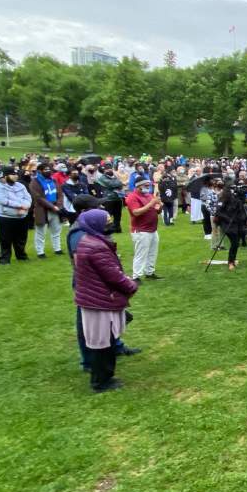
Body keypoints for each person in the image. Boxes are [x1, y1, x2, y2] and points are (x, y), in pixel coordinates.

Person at [73, 209, 138, 393]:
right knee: (102, 343)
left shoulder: (91, 242)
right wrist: (131, 285)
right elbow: (113, 276)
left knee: (104, 340)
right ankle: (101, 382)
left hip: (96, 298)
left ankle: (104, 377)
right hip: (99, 300)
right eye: (106, 222)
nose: (110, 225)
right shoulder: (96, 247)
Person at [0, 165, 32, 264]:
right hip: (5, 217)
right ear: (5, 176)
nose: (16, 176)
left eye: (16, 174)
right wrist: (21, 206)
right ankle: (4, 259)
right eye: (13, 174)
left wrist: (26, 206)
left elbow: (28, 197)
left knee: (21, 238)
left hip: (22, 216)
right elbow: (3, 200)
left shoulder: (20, 185)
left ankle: (21, 256)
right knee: (5, 239)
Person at [124, 178, 162, 281]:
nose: (148, 187)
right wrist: (151, 203)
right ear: (138, 186)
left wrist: (159, 206)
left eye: (148, 185)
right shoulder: (132, 197)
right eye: (145, 185)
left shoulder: (149, 195)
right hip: (141, 230)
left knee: (152, 252)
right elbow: (136, 212)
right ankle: (136, 276)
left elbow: (156, 210)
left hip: (152, 229)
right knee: (141, 254)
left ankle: (149, 273)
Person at [29, 163, 64, 258]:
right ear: (40, 171)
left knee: (56, 231)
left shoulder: (54, 180)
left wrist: (59, 205)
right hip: (42, 209)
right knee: (41, 232)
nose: (48, 171)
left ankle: (57, 249)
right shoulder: (35, 182)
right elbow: (38, 197)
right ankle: (40, 252)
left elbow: (60, 194)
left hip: (55, 209)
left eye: (49, 169)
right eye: (45, 170)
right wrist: (52, 207)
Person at [215, 185, 247, 271]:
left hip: (237, 223)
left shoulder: (236, 200)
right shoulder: (222, 199)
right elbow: (218, 212)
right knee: (234, 242)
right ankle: (231, 262)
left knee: (236, 243)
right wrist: (228, 219)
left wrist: (242, 198)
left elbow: (241, 208)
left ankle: (232, 260)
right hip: (227, 224)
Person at [95, 168, 125, 233]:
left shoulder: (114, 176)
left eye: (110, 168)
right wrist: (117, 183)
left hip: (118, 197)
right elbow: (112, 184)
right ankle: (105, 228)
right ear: (104, 170)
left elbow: (120, 183)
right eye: (107, 168)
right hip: (108, 199)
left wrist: (118, 183)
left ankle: (117, 228)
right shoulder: (102, 178)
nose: (109, 170)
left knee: (118, 215)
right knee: (108, 215)